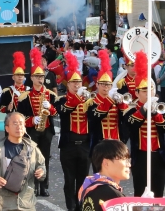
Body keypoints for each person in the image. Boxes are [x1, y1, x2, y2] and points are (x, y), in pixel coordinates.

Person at [0, 111, 46, 211]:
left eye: (21, 124)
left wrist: (41, 171)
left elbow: (42, 165)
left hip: (26, 204)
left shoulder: (32, 148)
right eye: (15, 123)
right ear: (7, 128)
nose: (19, 127)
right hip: (2, 204)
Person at [125, 51, 165, 197]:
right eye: (144, 91)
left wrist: (155, 112)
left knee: (158, 194)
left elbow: (164, 129)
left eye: (150, 90)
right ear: (137, 93)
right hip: (141, 156)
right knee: (140, 193)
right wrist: (144, 110)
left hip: (158, 155)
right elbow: (131, 125)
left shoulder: (161, 108)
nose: (148, 93)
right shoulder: (131, 109)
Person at [16, 47, 56, 198]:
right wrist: (32, 120)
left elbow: (58, 113)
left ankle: (44, 186)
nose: (40, 78)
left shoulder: (50, 95)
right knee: (31, 159)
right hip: (32, 131)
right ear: (31, 78)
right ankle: (32, 186)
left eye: (42, 75)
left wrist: (51, 108)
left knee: (44, 159)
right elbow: (20, 117)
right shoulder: (24, 97)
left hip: (46, 131)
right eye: (37, 76)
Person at [55, 51, 91, 211]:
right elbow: (63, 111)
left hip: (85, 144)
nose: (77, 85)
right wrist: (77, 99)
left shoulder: (88, 100)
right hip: (68, 145)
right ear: (67, 84)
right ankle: (70, 208)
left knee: (83, 181)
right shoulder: (61, 99)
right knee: (69, 180)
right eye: (73, 82)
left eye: (79, 82)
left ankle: (80, 207)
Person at [77, 140, 129, 211]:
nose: (129, 164)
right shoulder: (113, 195)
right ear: (106, 163)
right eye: (124, 159)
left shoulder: (90, 185)